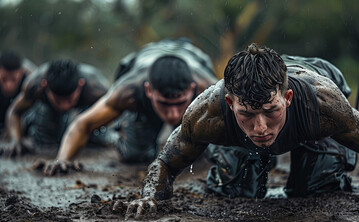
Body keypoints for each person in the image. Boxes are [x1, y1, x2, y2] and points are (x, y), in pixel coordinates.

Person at [123, 43, 359, 219]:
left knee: (316, 188)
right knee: (234, 190)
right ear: (229, 103)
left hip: (312, 110)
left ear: (287, 98)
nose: (260, 128)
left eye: (270, 111)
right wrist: (150, 196)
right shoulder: (207, 112)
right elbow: (165, 162)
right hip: (241, 136)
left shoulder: (323, 104)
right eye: (246, 114)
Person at [37, 38, 218, 176]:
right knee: (135, 155)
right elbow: (83, 124)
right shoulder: (128, 91)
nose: (172, 114)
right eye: (164, 104)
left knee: (208, 149)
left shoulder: (208, 88)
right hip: (145, 58)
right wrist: (62, 159)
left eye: (179, 104)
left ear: (193, 89)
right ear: (148, 90)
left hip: (191, 55)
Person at [0, 59, 110, 156]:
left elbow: (115, 111)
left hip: (85, 112)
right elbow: (14, 111)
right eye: (58, 101)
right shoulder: (35, 84)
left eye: (69, 100)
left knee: (101, 137)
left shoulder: (96, 89)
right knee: (44, 141)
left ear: (80, 85)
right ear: (45, 85)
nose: (64, 106)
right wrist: (15, 141)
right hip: (45, 112)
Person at [0, 50, 36, 131]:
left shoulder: (30, 82)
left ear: (21, 72)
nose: (8, 85)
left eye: (13, 80)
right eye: (4, 79)